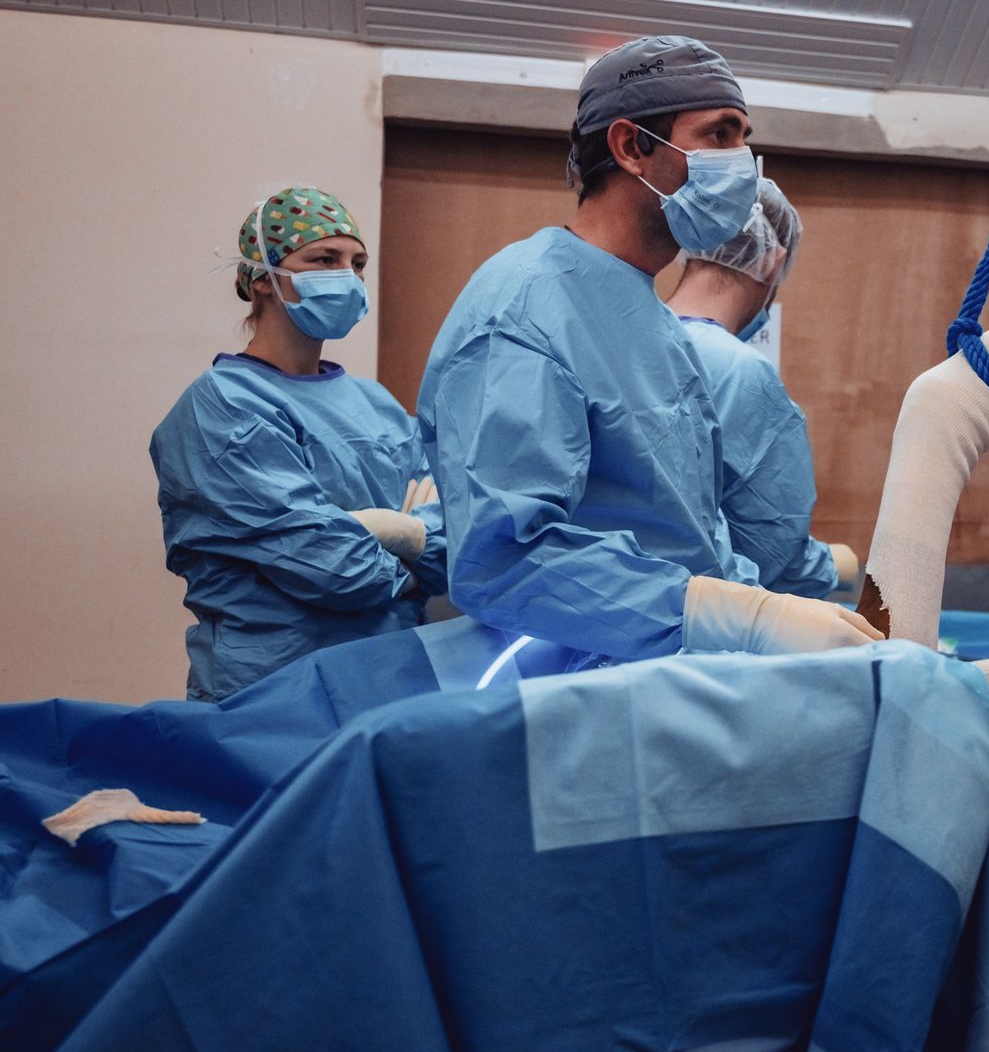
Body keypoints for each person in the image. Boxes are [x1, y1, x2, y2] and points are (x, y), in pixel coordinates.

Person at [417, 36, 880, 660]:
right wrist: (730, 617)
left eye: (745, 136)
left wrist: (766, 611)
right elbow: (506, 562)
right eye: (720, 135)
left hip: (672, 684)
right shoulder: (523, 309)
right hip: (580, 695)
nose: (743, 161)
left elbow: (690, 538)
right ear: (632, 146)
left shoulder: (653, 323)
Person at [150, 188, 448, 700]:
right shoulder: (222, 407)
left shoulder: (377, 405)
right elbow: (335, 569)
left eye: (358, 263)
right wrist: (413, 542)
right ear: (263, 277)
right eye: (324, 259)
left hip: (393, 682)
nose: (348, 277)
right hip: (273, 690)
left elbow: (455, 548)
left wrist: (405, 539)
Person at [669, 177, 858, 598]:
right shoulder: (741, 374)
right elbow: (774, 554)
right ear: (773, 261)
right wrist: (837, 565)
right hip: (692, 633)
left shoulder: (627, 336)